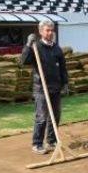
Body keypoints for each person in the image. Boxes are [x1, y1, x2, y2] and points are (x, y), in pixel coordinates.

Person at [20, 20, 68, 155]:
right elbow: (23, 61)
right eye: (47, 30)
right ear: (41, 31)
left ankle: (51, 141)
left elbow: (63, 68)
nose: (50, 33)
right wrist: (28, 45)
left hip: (55, 87)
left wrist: (65, 83)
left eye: (52, 30)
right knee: (42, 117)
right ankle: (37, 144)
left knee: (55, 116)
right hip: (41, 87)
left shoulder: (56, 48)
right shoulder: (36, 47)